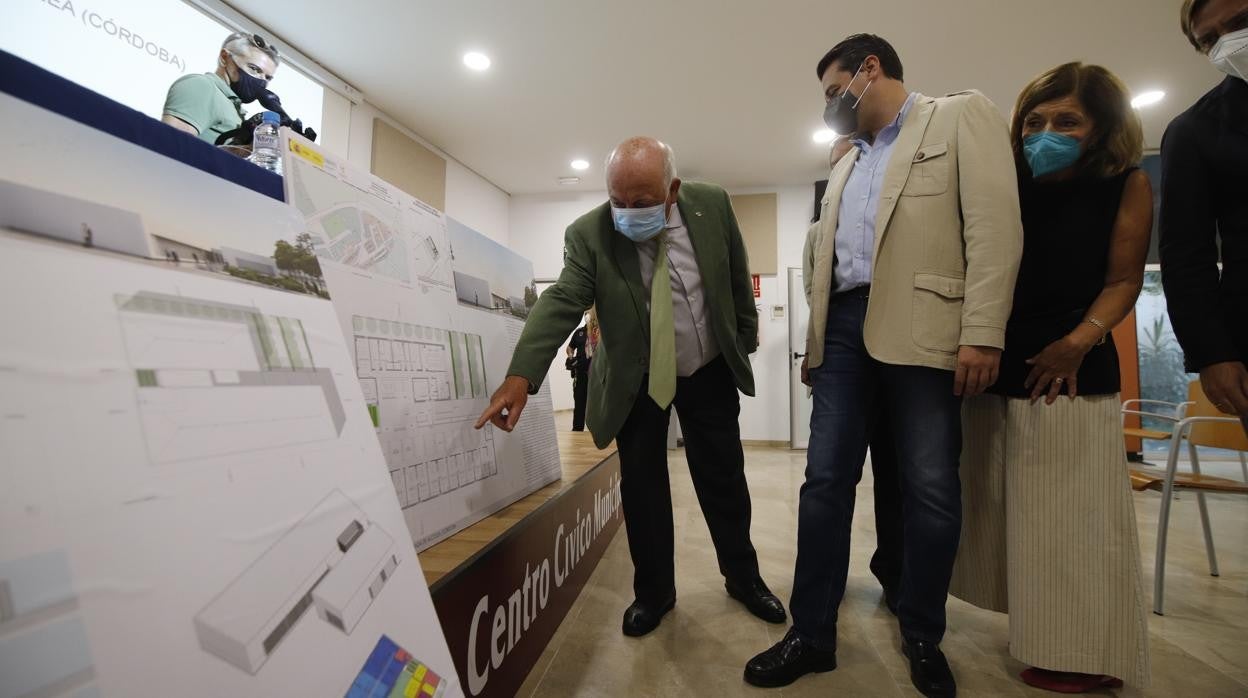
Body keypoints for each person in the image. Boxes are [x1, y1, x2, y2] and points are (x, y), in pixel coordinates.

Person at [745, 34, 1022, 696]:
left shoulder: (957, 116)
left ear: (869, 69)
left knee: (930, 487)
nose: (830, 104)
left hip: (926, 326)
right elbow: (826, 262)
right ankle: (812, 634)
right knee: (824, 481)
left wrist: (983, 331)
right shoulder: (847, 162)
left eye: (832, 89)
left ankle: (922, 633)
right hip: (844, 329)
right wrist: (816, 344)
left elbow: (994, 228)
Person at [475, 137, 785, 637]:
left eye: (642, 202)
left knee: (724, 481)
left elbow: (733, 277)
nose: (627, 213)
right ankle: (655, 593)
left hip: (706, 369)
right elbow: (563, 299)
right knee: (643, 490)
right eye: (617, 201)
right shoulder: (589, 233)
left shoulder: (711, 205)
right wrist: (521, 376)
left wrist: (742, 342)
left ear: (672, 190)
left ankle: (743, 578)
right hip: (636, 379)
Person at [950, 62, 1153, 693]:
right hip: (996, 364)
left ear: (1102, 128)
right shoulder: (1005, 182)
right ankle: (1045, 634)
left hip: (1071, 369)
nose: (1046, 134)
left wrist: (1075, 344)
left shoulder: (1126, 183)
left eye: (1067, 121)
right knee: (1009, 512)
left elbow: (1124, 280)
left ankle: (1087, 653)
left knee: (1075, 518)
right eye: (1034, 121)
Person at [802, 135, 903, 614]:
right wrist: (814, 351)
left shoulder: (897, 212)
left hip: (900, 342)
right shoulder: (817, 233)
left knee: (898, 472)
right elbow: (814, 295)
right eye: (838, 164)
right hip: (841, 345)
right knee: (827, 474)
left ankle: (897, 576)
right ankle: (822, 596)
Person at [1161, 0, 1248, 431]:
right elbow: (1186, 256)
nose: (1229, 43)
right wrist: (1213, 354)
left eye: (1241, 22)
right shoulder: (1194, 131)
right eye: (1210, 40)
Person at [161, 32, 280, 144]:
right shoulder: (203, 87)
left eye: (268, 78)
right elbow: (171, 145)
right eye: (254, 69)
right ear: (224, 57)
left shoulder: (234, 108)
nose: (261, 80)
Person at [565, 318, 591, 431]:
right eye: (586, 313)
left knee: (598, 405)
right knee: (579, 404)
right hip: (580, 374)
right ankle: (577, 430)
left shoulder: (601, 331)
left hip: (597, 376)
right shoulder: (579, 332)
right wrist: (571, 357)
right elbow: (570, 347)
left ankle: (599, 433)